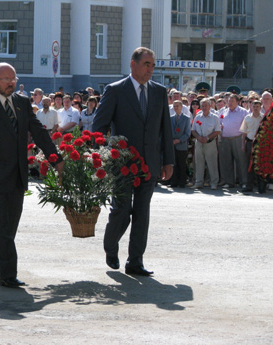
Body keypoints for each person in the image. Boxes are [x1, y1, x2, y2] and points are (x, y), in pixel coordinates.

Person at [0, 62, 64, 288]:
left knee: (9, 226)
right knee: (0, 225)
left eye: (13, 79)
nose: (11, 83)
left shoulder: (21, 103)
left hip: (17, 176)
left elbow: (38, 131)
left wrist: (55, 157)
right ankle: (8, 274)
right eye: (5, 79)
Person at [92, 47, 174, 276]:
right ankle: (111, 246)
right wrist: (99, 156)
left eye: (153, 65)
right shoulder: (116, 90)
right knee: (122, 209)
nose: (150, 69)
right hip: (122, 163)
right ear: (133, 64)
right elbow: (99, 127)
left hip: (149, 163)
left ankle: (135, 261)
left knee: (141, 212)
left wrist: (168, 160)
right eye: (147, 64)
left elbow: (164, 128)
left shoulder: (158, 92)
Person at [191, 98, 221, 189]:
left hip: (210, 142)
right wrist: (198, 137)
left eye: (206, 105)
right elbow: (193, 130)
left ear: (210, 106)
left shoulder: (214, 117)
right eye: (202, 106)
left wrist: (207, 138)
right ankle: (198, 182)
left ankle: (214, 183)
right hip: (199, 142)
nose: (204, 107)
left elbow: (217, 131)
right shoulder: (198, 116)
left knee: (212, 164)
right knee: (199, 163)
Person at [220, 94, 249, 189]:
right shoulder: (223, 112)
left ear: (237, 102)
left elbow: (246, 127)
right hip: (225, 139)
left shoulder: (243, 112)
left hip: (238, 138)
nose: (230, 103)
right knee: (227, 162)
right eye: (229, 101)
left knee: (241, 162)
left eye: (232, 101)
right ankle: (229, 182)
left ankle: (243, 182)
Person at [239, 100, 263, 193]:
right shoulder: (247, 118)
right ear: (251, 107)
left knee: (260, 165)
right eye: (254, 106)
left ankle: (261, 186)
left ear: (260, 107)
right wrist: (243, 145)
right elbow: (244, 133)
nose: (255, 108)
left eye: (257, 106)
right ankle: (249, 185)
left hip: (260, 144)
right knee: (249, 165)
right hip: (249, 143)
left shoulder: (263, 117)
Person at [170, 100, 191, 188]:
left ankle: (182, 181)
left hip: (181, 145)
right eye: (174, 106)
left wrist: (179, 140)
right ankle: (173, 181)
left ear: (181, 107)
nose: (176, 108)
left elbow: (187, 133)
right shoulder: (171, 118)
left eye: (177, 106)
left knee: (182, 163)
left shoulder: (186, 118)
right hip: (172, 144)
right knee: (173, 164)